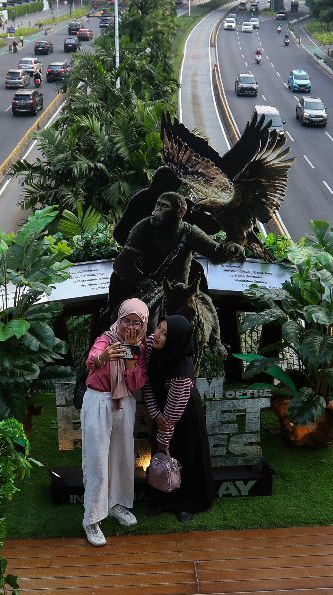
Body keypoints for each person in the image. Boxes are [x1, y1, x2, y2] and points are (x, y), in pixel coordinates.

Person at [108, 192, 244, 323]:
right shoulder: (144, 227)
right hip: (150, 289)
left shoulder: (189, 232)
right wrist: (141, 281)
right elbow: (122, 263)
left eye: (164, 206)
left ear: (180, 212)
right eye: (158, 204)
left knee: (208, 309)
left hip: (181, 291)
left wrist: (232, 249)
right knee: (118, 316)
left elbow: (215, 253)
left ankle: (216, 343)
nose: (157, 210)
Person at [80, 298, 150, 547]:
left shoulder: (140, 348)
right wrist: (104, 358)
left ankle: (116, 504)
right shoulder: (107, 338)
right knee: (96, 460)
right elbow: (92, 360)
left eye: (136, 322)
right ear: (118, 318)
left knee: (122, 457)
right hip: (99, 401)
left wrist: (131, 353)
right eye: (125, 320)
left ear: (143, 325)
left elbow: (135, 383)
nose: (129, 326)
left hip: (124, 403)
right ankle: (91, 519)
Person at [142, 315, 214, 523]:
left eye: (165, 334)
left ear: (175, 339)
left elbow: (170, 419)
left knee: (184, 455)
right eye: (159, 329)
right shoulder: (150, 345)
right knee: (159, 459)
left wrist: (163, 433)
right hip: (160, 408)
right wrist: (156, 414)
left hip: (183, 412)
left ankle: (186, 504)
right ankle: (160, 500)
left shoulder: (181, 372)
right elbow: (146, 381)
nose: (157, 335)